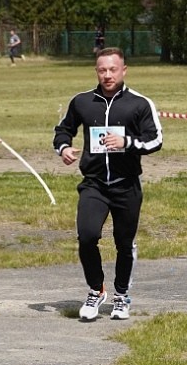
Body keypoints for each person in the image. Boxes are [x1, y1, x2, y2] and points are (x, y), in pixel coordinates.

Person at [53, 47, 163, 321]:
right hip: (94, 184)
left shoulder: (139, 104)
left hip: (126, 184)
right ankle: (95, 289)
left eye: (113, 69)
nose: (108, 75)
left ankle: (122, 296)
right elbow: (63, 130)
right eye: (102, 70)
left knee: (124, 243)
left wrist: (127, 143)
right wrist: (64, 147)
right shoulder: (82, 101)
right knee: (87, 236)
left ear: (123, 70)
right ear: (96, 71)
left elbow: (155, 140)